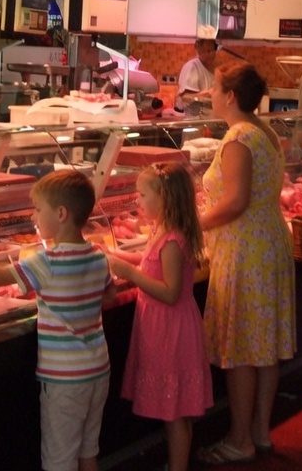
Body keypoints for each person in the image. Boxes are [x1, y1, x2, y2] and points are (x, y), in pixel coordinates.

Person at [0, 170, 116, 471]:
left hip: (64, 380)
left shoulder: (47, 261)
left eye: (38, 209)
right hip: (97, 371)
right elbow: (109, 296)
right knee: (88, 453)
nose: (34, 216)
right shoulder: (98, 255)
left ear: (62, 213)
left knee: (60, 460)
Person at [196, 63, 296, 463]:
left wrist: (192, 223)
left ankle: (239, 440)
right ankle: (260, 431)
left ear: (231, 96)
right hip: (269, 241)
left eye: (216, 88)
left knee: (240, 349)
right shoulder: (266, 131)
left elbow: (235, 201)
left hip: (245, 250)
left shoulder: (238, 137)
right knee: (264, 347)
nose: (211, 94)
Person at [105, 163, 212, 471]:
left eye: (141, 194)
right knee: (174, 408)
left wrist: (129, 274)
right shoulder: (163, 231)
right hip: (163, 327)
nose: (136, 201)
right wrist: (120, 257)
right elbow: (149, 260)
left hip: (171, 330)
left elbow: (170, 291)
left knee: (175, 411)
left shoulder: (173, 239)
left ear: (164, 197)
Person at [175, 38, 218, 113]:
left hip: (204, 115)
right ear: (199, 51)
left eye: (212, 50)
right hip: (188, 116)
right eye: (206, 51)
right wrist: (208, 94)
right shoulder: (192, 67)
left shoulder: (213, 68)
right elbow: (185, 97)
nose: (210, 54)